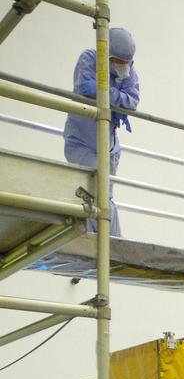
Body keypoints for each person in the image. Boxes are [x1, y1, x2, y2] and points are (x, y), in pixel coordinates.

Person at [63, 27, 139, 236]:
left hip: (110, 148)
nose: (122, 67)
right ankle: (109, 242)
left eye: (126, 63)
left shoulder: (130, 72)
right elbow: (86, 87)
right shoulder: (89, 59)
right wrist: (116, 95)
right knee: (96, 192)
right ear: (106, 54)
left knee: (105, 196)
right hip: (81, 142)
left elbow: (132, 101)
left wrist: (106, 93)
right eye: (118, 61)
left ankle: (109, 244)